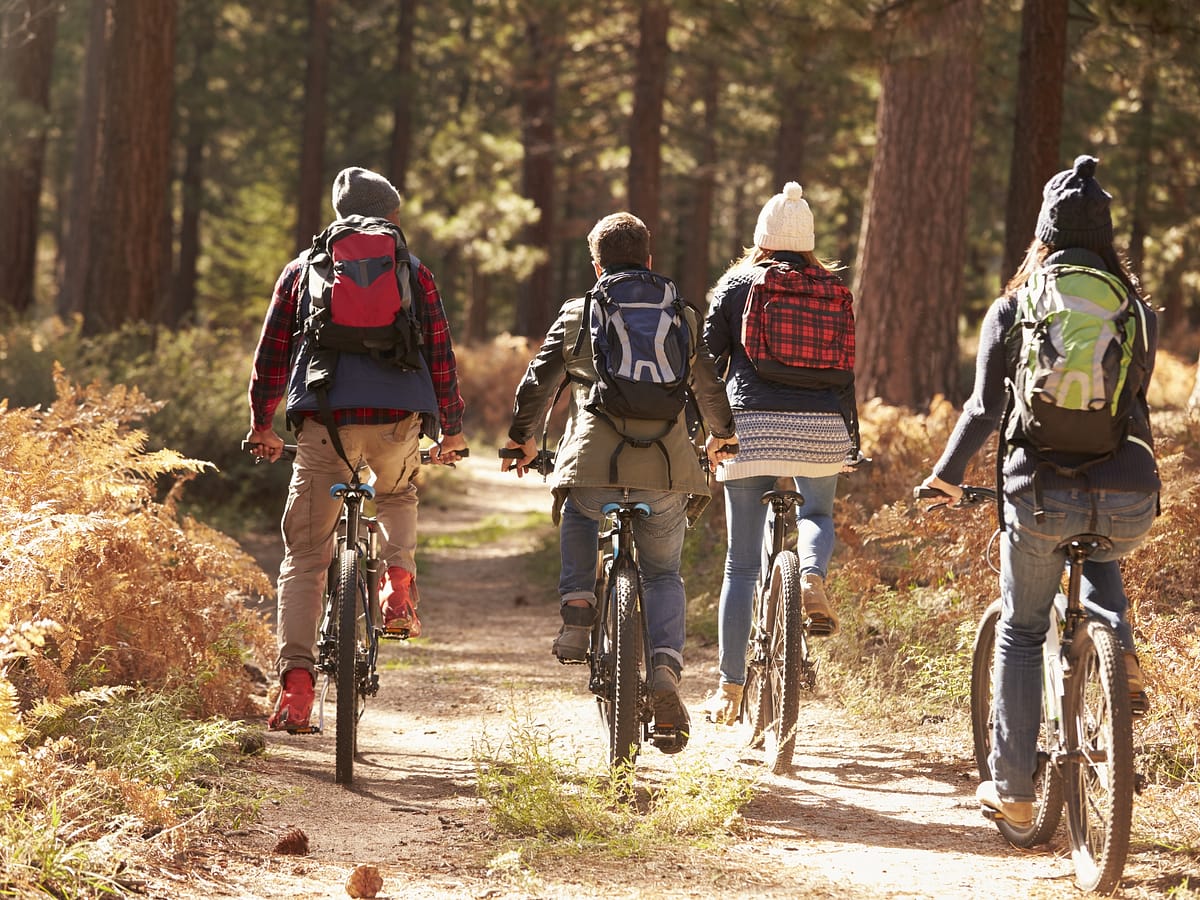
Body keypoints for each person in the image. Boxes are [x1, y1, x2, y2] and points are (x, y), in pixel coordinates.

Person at [919, 155, 1159, 827]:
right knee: (1104, 551)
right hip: (1129, 494)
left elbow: (981, 411)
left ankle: (1015, 790)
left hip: (1039, 495)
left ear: (1044, 236)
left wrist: (944, 475)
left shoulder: (1015, 306)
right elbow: (1133, 401)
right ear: (1106, 238)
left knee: (1024, 631)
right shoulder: (1136, 311)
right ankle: (1120, 646)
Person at [502, 211, 738, 753]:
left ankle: (578, 612)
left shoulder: (580, 311)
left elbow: (539, 382)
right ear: (649, 260)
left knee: (581, 513)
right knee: (662, 574)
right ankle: (664, 674)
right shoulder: (680, 312)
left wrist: (523, 440)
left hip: (594, 462)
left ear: (596, 262)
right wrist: (721, 437)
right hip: (667, 465)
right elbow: (706, 385)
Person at [247, 166, 468, 731]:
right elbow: (439, 353)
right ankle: (398, 585)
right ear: (390, 215)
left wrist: (262, 425)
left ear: (338, 213)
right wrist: (452, 428)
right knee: (395, 493)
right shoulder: (413, 271)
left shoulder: (304, 268)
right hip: (397, 420)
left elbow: (272, 354)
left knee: (305, 557)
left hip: (324, 421)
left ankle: (296, 683)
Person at [701, 182, 861, 726]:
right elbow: (844, 374)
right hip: (821, 428)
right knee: (817, 514)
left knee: (741, 565)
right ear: (810, 241)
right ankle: (811, 577)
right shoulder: (834, 289)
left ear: (761, 238)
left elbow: (705, 363)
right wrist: (850, 438)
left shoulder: (737, 284)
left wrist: (711, 428)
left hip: (750, 427)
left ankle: (729, 686)